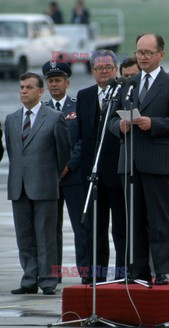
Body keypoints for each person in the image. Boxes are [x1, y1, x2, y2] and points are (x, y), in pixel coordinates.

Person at [108, 34, 169, 285]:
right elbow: (109, 120)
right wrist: (118, 126)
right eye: (139, 52)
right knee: (134, 219)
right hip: (129, 161)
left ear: (161, 54)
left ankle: (161, 269)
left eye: (148, 53)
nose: (142, 57)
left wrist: (152, 123)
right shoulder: (127, 84)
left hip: (158, 161)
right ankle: (138, 269)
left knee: (159, 220)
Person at [6, 72, 70, 295]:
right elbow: (14, 153)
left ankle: (48, 279)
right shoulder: (12, 119)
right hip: (18, 186)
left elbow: (63, 152)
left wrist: (51, 173)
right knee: (24, 236)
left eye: (29, 87)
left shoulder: (54, 117)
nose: (24, 91)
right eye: (21, 87)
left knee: (46, 236)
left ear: (40, 91)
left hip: (44, 184)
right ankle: (29, 278)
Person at [76, 49, 127, 284]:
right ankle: (95, 277)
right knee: (94, 230)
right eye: (99, 68)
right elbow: (81, 136)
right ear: (92, 71)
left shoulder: (126, 92)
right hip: (92, 175)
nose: (104, 71)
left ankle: (122, 276)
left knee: (120, 229)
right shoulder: (84, 96)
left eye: (108, 67)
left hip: (118, 172)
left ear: (115, 70)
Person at [42, 61, 88, 283]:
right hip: (49, 178)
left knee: (81, 227)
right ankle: (53, 274)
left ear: (67, 83)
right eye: (50, 81)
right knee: (51, 229)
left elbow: (82, 140)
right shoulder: (41, 110)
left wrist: (69, 165)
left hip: (74, 176)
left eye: (58, 80)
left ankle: (86, 272)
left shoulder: (77, 107)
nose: (54, 85)